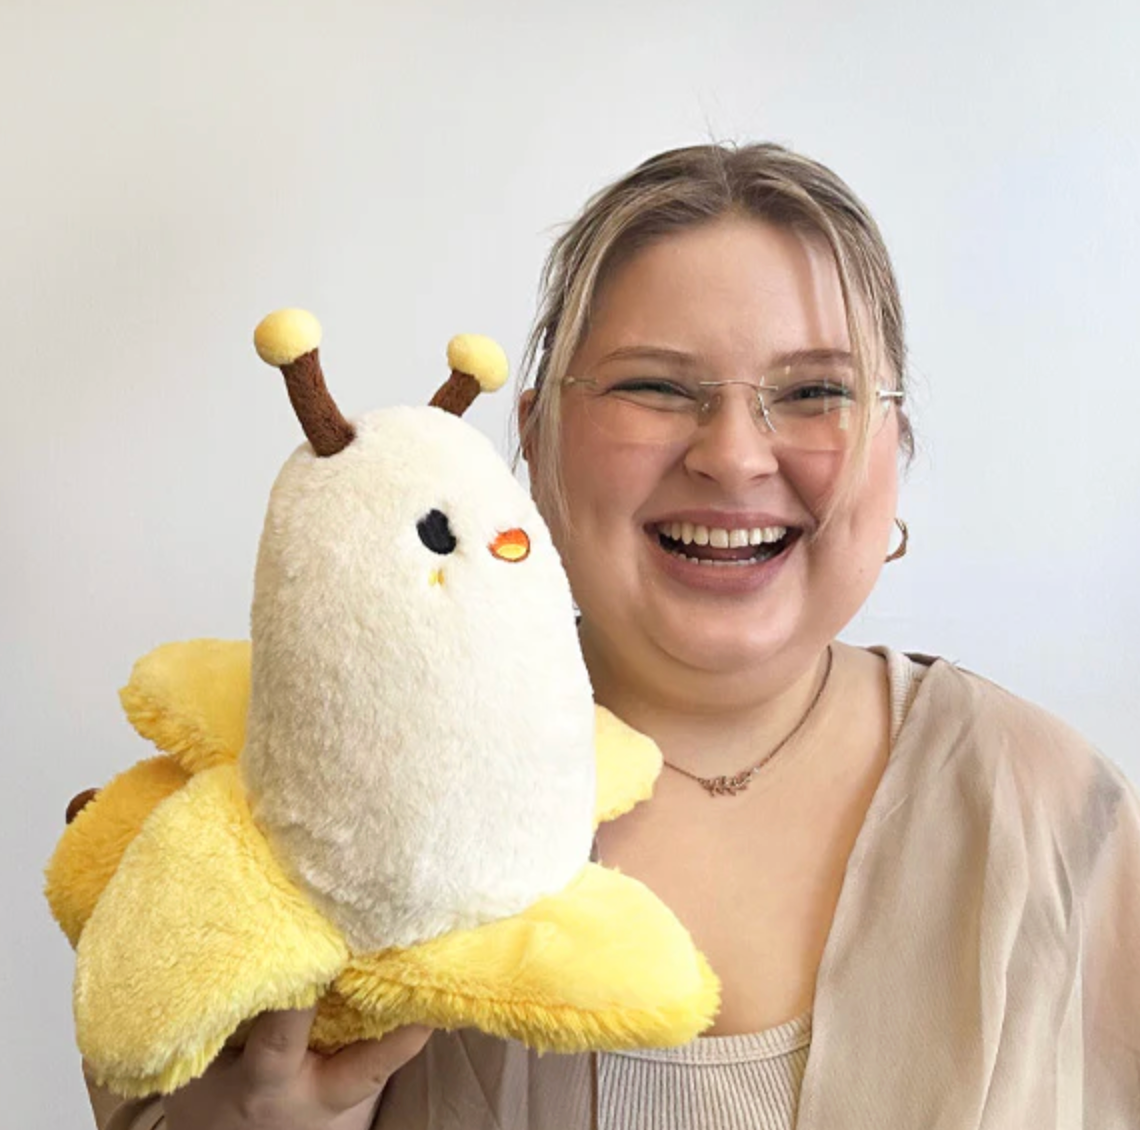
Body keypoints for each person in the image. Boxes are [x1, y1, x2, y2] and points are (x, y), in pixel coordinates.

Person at [84, 143, 1140, 1130]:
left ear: (893, 448)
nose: (733, 456)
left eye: (814, 391)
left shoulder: (1055, 810)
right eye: (655, 386)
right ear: (534, 443)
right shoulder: (291, 794)